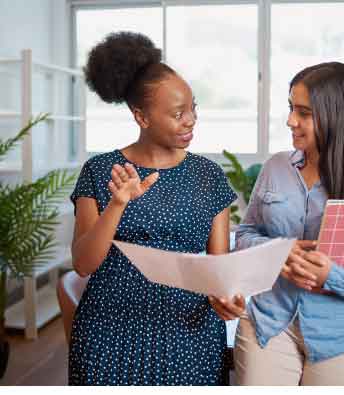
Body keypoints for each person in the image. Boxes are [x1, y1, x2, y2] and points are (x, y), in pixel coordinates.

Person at [69, 31, 245, 385]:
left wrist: (224, 299)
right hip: (111, 331)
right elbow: (84, 263)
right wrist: (117, 204)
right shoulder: (101, 171)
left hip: (189, 333)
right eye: (178, 113)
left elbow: (218, 269)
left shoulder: (208, 175)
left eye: (193, 108)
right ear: (141, 117)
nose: (191, 120)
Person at [234, 62, 344, 386]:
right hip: (270, 323)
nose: (290, 120)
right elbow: (246, 234)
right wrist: (278, 252)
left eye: (303, 112)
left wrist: (334, 277)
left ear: (338, 115)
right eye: (291, 108)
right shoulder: (275, 167)